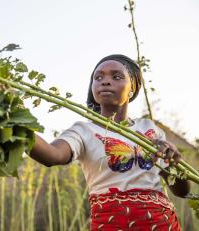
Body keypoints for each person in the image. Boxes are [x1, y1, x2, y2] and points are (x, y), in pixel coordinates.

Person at [29, 54, 190, 230]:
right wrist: (13, 121)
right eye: (98, 77)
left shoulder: (149, 129)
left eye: (116, 76)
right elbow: (52, 155)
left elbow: (181, 191)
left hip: (161, 223)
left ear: (132, 87)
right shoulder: (84, 131)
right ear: (92, 88)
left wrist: (175, 161)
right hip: (111, 224)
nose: (105, 81)